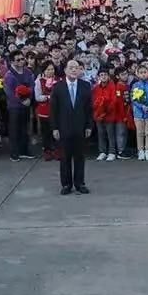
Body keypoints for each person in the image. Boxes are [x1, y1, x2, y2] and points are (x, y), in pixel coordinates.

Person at [50, 59, 93, 195]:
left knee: (80, 157)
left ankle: (80, 183)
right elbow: (54, 110)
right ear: (65, 70)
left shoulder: (85, 86)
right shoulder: (58, 87)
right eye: (71, 67)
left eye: (77, 67)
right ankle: (66, 184)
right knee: (65, 157)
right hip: (64, 128)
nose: (74, 70)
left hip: (80, 127)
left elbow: (89, 109)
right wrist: (55, 128)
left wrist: (89, 126)